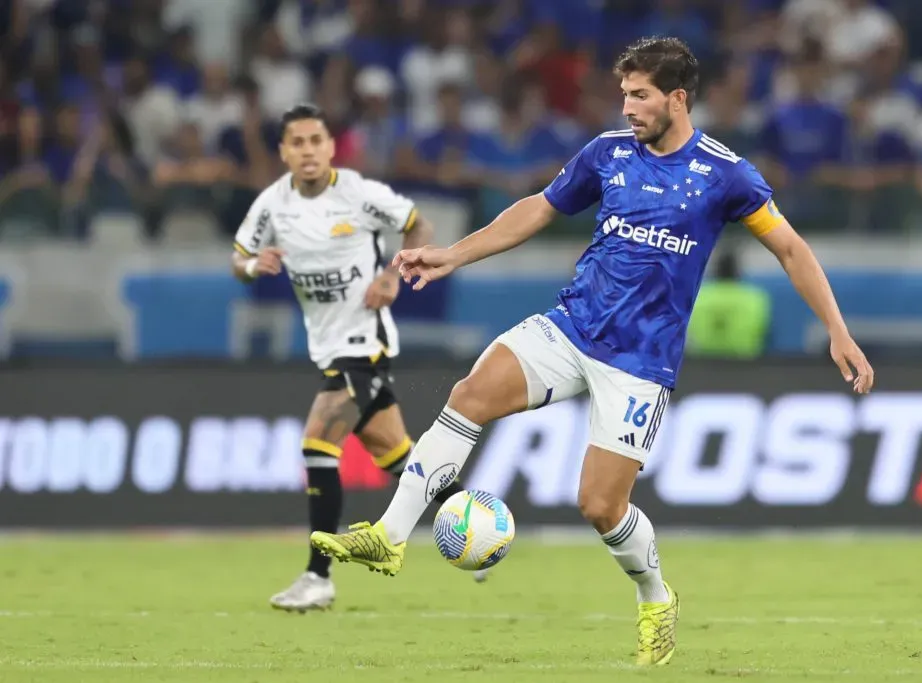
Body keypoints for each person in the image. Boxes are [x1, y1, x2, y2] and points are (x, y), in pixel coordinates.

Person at [310, 38, 875, 665]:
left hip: (640, 361)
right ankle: (390, 537)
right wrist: (454, 254)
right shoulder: (607, 153)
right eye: (624, 94)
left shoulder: (725, 174)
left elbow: (791, 249)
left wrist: (838, 330)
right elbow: (537, 210)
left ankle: (656, 597)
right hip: (572, 325)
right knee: (470, 394)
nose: (627, 107)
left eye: (640, 96)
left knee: (600, 505)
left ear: (677, 99)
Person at [231, 104, 485, 614]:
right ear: (284, 151)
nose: (307, 150)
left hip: (365, 344)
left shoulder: (359, 194)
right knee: (398, 455)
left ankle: (317, 577)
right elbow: (238, 259)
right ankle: (478, 532)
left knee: (318, 440)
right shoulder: (271, 204)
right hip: (327, 347)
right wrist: (253, 265)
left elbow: (420, 226)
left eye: (316, 140)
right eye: (297, 142)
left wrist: (391, 278)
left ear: (330, 147)